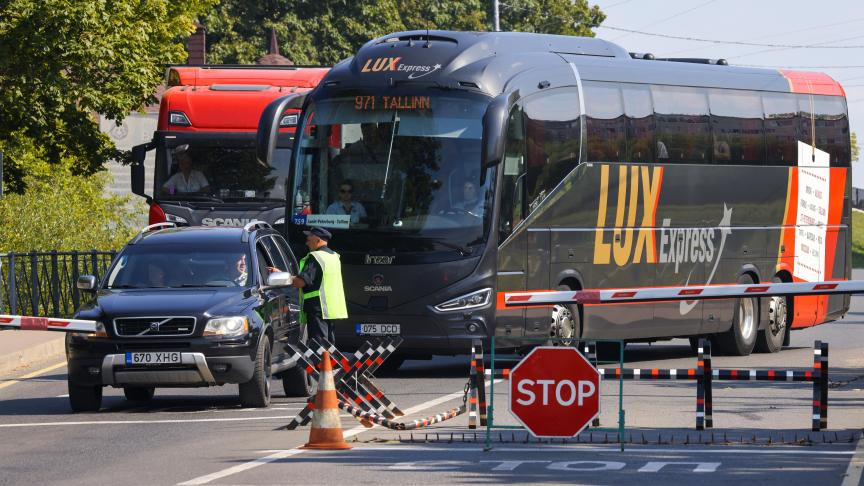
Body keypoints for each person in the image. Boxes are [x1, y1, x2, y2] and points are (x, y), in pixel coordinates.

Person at [290, 227, 347, 344]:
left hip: (318, 307)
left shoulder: (316, 257)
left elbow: (301, 282)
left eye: (309, 237)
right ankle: (329, 362)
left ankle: (321, 363)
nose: (306, 241)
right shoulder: (334, 256)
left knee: (319, 346)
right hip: (330, 309)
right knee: (328, 345)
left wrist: (284, 277)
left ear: (317, 239)